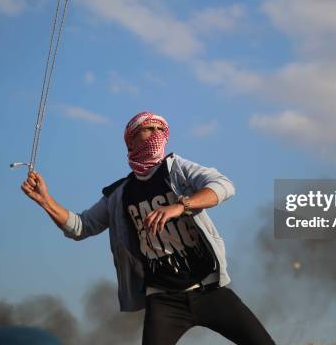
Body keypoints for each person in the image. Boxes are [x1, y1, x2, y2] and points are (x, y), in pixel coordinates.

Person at [21, 111, 276, 345]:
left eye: (160, 128)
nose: (156, 133)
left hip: (208, 289)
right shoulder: (119, 194)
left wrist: (181, 205)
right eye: (148, 129)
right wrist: (45, 200)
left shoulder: (176, 168)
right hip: (164, 300)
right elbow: (81, 227)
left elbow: (224, 185)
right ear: (131, 141)